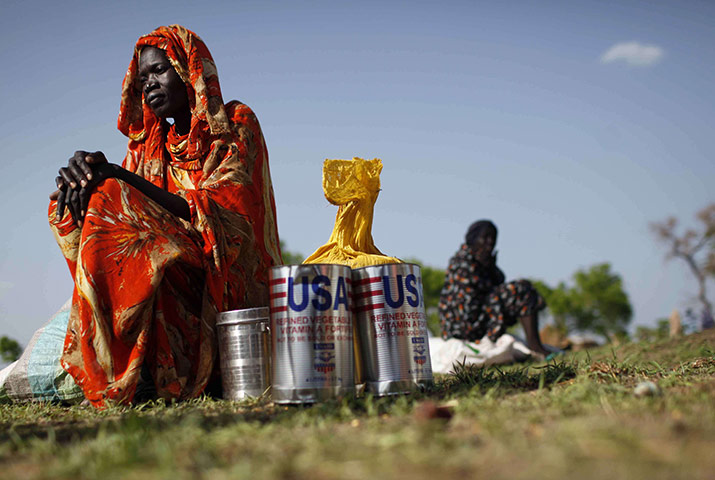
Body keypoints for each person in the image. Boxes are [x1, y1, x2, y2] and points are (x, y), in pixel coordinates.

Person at [48, 25, 281, 408]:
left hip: (228, 286)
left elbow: (227, 213)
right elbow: (122, 211)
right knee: (96, 201)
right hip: (175, 273)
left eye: (159, 70)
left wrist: (117, 178)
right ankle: (131, 370)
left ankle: (135, 373)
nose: (149, 85)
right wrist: (82, 187)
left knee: (115, 200)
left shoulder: (236, 124)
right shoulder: (150, 148)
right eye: (142, 79)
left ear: (187, 69)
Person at [438, 220, 550, 357]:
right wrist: (486, 268)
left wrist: (490, 266)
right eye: (485, 237)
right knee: (520, 290)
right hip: (464, 327)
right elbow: (469, 303)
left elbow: (498, 283)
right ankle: (536, 347)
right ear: (473, 239)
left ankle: (536, 346)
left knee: (522, 288)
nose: (490, 242)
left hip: (481, 320)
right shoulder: (461, 262)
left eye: (493, 238)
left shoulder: (483, 261)